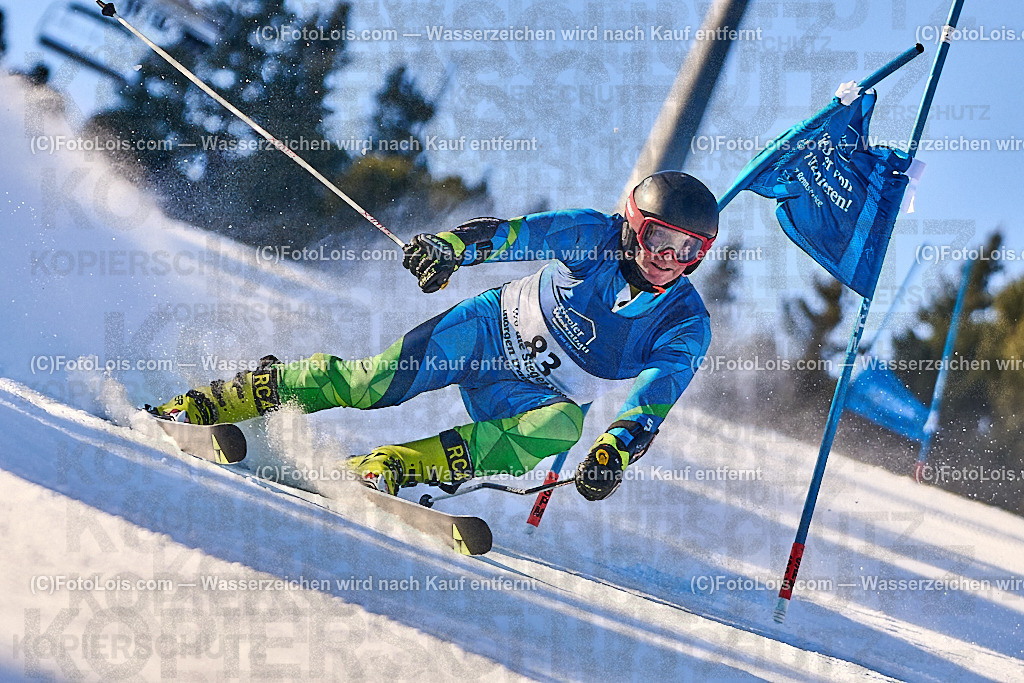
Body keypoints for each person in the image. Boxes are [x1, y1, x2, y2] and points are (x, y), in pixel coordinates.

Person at [150, 171, 718, 501]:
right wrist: (450, 250)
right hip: (488, 331)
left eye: (689, 250)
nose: (669, 259)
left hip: (532, 394)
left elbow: (655, 395)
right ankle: (234, 396)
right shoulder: (592, 235)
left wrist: (614, 450)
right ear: (631, 222)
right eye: (661, 237)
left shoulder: (685, 323)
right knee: (374, 384)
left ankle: (392, 465)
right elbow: (514, 236)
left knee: (560, 428)